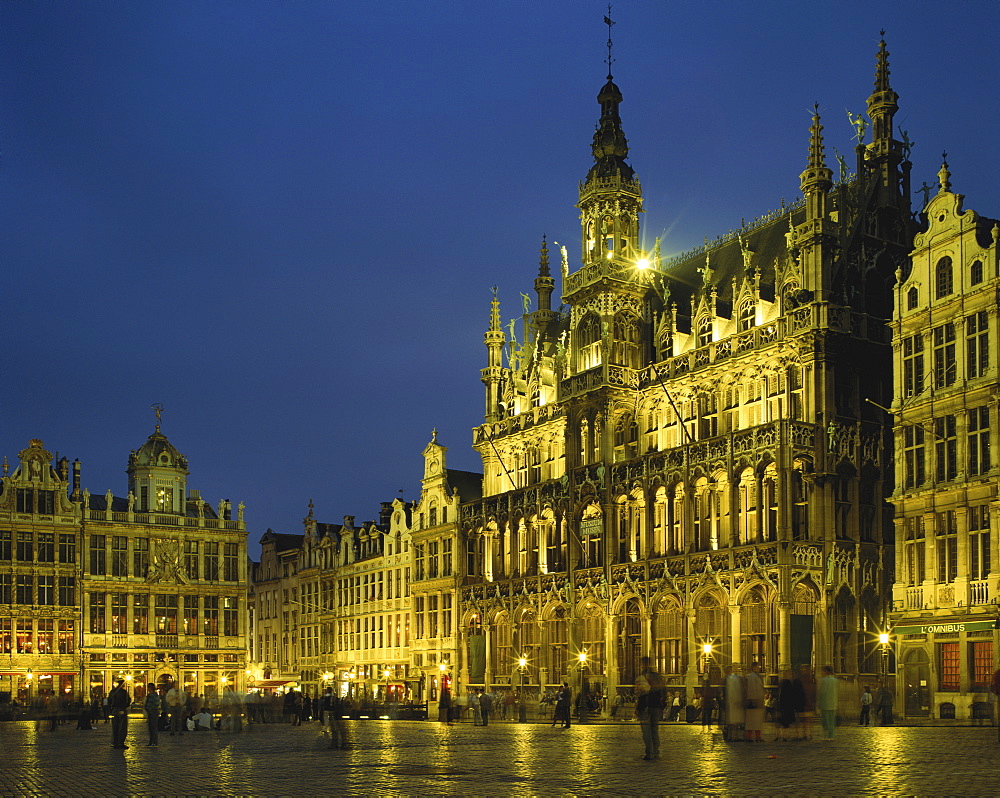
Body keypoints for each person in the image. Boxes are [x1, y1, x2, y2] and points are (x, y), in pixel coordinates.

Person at [635, 656, 665, 761]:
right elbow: (663, 690)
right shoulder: (657, 676)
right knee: (654, 730)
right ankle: (656, 751)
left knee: (646, 731)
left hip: (646, 706)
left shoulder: (643, 677)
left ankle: (650, 753)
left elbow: (639, 692)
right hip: (656, 705)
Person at [775, 669, 800, 741]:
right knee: (787, 722)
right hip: (787, 706)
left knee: (786, 722)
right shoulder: (788, 682)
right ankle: (788, 735)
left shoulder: (785, 682)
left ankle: (785, 736)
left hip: (787, 706)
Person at [723, 664, 745, 742]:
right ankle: (732, 736)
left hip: (733, 702)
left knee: (733, 721)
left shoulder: (732, 678)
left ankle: (732, 736)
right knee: (733, 721)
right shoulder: (732, 679)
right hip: (733, 702)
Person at [744, 662, 765, 742]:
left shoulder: (756, 676)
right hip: (754, 701)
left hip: (757, 701)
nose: (758, 668)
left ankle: (757, 736)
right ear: (753, 668)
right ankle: (750, 736)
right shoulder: (752, 677)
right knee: (752, 721)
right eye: (757, 667)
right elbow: (752, 689)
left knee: (756, 721)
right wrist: (754, 699)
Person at [794, 665, 816, 739]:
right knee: (800, 720)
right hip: (801, 703)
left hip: (808, 703)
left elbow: (814, 691)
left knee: (807, 721)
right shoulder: (799, 680)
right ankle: (798, 734)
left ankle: (806, 734)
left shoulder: (812, 680)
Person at [108, 679, 131, 749]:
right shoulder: (123, 692)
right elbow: (128, 700)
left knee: (115, 726)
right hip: (122, 709)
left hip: (114, 710)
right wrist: (126, 706)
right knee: (122, 727)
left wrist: (110, 710)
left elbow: (109, 700)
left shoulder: (112, 691)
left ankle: (115, 742)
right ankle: (120, 743)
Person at [818, 665, 839, 739]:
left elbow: (822, 692)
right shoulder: (835, 680)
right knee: (832, 720)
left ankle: (827, 735)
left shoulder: (823, 680)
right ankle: (832, 735)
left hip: (825, 703)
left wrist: (819, 703)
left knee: (826, 720)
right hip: (833, 703)